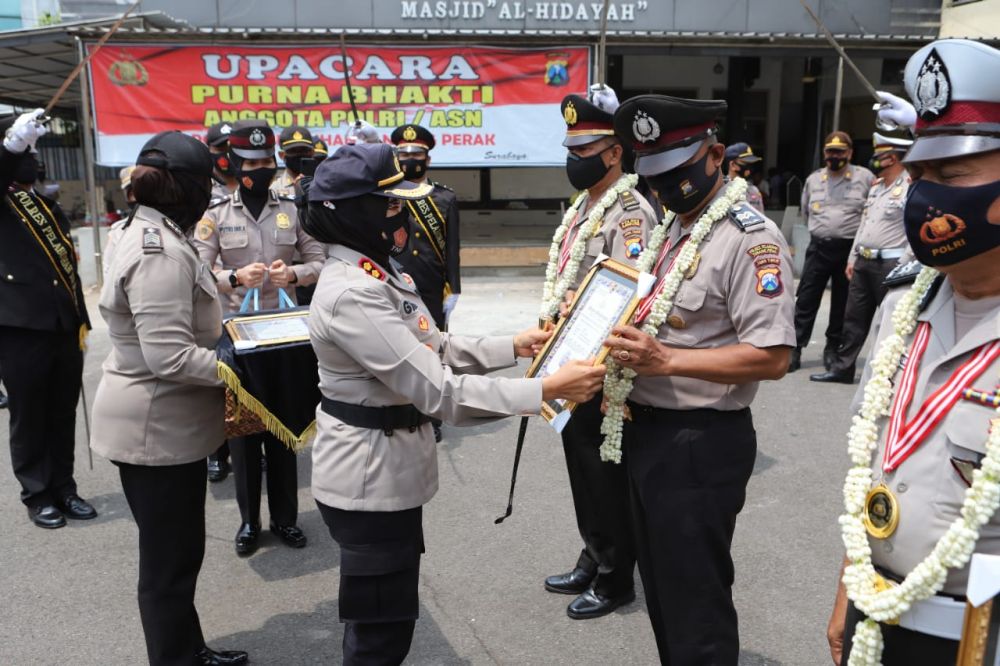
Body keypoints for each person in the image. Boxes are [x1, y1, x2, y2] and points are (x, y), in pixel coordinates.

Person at [300, 141, 606, 665]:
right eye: (392, 205)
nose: (404, 215)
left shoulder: (378, 272)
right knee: (379, 633)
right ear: (354, 212)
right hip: (368, 480)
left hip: (387, 471)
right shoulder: (353, 292)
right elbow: (438, 390)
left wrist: (513, 345)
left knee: (389, 620)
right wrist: (546, 391)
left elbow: (434, 345)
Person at [603, 94, 795, 663]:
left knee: (696, 601)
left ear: (714, 155)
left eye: (677, 172)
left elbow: (772, 356)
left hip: (699, 442)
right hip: (648, 432)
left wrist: (666, 360)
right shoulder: (673, 228)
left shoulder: (748, 238)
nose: (665, 187)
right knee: (663, 590)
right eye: (654, 174)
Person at [827, 38, 1000, 666]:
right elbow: (874, 461)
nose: (927, 197)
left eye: (952, 177)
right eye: (921, 175)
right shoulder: (905, 300)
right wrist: (849, 589)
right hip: (879, 615)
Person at [90, 130, 248, 666]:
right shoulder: (157, 250)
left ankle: (188, 649)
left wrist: (226, 290)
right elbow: (171, 359)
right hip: (155, 430)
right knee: (168, 565)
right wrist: (240, 369)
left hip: (161, 425)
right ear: (187, 190)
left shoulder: (149, 229)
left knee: (179, 556)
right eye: (207, 182)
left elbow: (186, 300)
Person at [542, 86, 657, 620]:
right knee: (583, 470)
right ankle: (594, 553)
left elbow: (633, 292)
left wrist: (578, 302)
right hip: (573, 360)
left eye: (585, 151)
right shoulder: (584, 207)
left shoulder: (630, 213)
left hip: (603, 369)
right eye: (571, 149)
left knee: (604, 473)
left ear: (615, 152)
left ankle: (616, 578)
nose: (574, 160)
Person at [193, 119, 325, 556]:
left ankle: (285, 519)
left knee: (283, 429)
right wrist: (232, 276)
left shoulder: (289, 207)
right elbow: (195, 272)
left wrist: (296, 273)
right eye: (251, 162)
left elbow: (320, 260)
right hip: (236, 340)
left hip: (284, 337)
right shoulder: (214, 215)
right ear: (232, 162)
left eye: (267, 160)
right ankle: (249, 522)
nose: (261, 168)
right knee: (244, 435)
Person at [0, 109, 96, 529]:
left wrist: (81, 318)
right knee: (29, 413)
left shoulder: (45, 205)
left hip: (61, 324)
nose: (31, 157)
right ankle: (37, 493)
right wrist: (9, 147)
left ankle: (65, 487)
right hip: (20, 328)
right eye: (25, 148)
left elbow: (68, 271)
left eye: (32, 149)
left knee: (62, 411)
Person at [810, 132, 913, 384]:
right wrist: (853, 257)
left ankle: (889, 374)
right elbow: (864, 225)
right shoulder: (877, 188)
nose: (875, 160)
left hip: (891, 263)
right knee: (853, 319)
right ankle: (842, 369)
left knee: (890, 322)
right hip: (864, 261)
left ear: (893, 159)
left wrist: (904, 264)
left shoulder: (909, 186)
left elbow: (913, 229)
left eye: (880, 156)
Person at [789, 132, 875, 373]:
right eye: (830, 152)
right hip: (819, 247)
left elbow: (871, 213)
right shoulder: (814, 180)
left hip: (849, 250)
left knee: (842, 303)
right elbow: (806, 213)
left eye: (839, 152)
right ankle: (795, 349)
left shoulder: (864, 178)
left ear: (849, 153)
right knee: (806, 300)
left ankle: (832, 349)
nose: (834, 156)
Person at [389, 123, 461, 331]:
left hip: (432, 283)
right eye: (404, 154)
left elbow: (452, 248)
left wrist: (454, 289)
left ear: (428, 159)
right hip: (396, 279)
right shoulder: (387, 194)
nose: (410, 159)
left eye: (417, 154)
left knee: (436, 341)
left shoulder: (445, 197)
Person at [271, 125, 315, 197]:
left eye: (303, 150)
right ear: (281, 155)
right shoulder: (274, 190)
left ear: (312, 152)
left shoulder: (324, 185)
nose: (299, 154)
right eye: (293, 151)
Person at [725, 142, 765, 213]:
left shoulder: (754, 190)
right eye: (746, 163)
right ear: (733, 165)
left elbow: (761, 217)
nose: (749, 168)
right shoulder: (721, 189)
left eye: (751, 164)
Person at [205, 121, 236, 200]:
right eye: (221, 148)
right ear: (208, 150)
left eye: (233, 148)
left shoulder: (256, 184)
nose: (228, 154)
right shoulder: (202, 187)